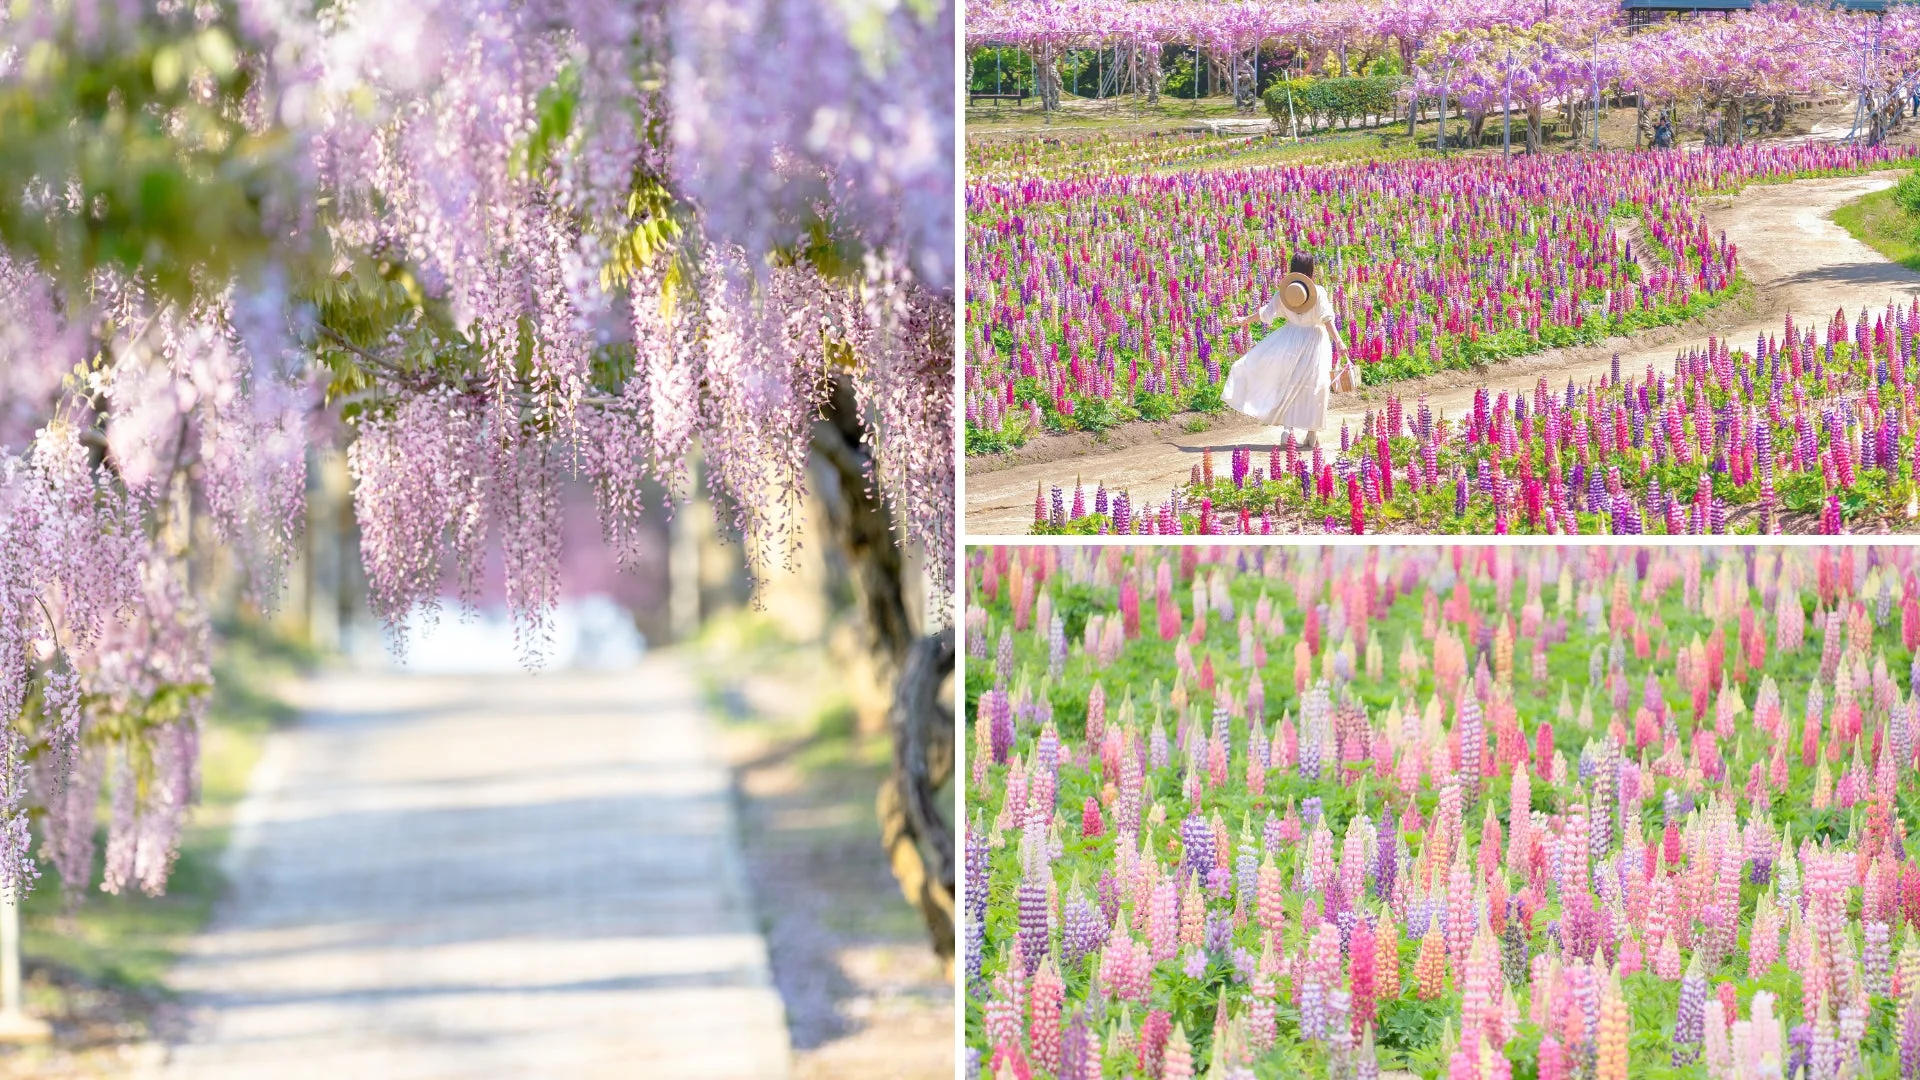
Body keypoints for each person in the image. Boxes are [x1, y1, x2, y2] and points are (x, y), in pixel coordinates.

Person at [1221, 251, 1348, 448]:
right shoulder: (1319, 292)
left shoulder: (1285, 293)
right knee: (1315, 386)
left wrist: (1243, 320)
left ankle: (1287, 430)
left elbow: (1265, 313)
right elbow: (1327, 320)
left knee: (1290, 383)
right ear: (1310, 271)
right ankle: (1312, 433)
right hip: (1315, 340)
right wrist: (1339, 342)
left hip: (1290, 339)